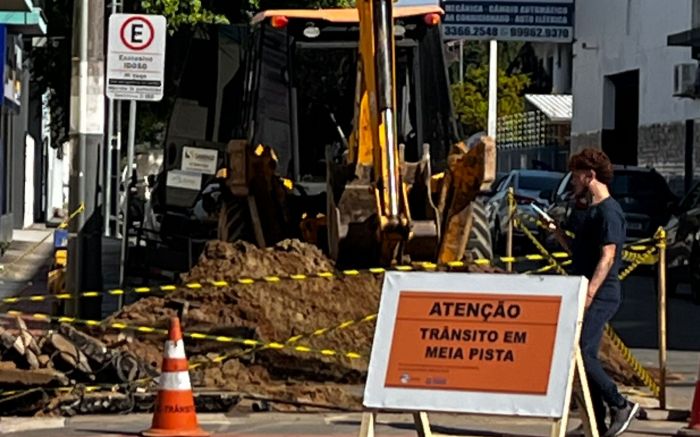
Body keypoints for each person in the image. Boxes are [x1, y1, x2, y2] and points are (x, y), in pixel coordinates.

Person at [565, 148, 639, 436]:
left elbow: (607, 258)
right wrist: (558, 233)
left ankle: (620, 404)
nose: (573, 181)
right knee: (577, 355)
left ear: (589, 176)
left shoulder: (610, 212)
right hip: (583, 287)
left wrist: (591, 293)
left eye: (576, 176)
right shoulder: (588, 210)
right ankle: (594, 421)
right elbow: (582, 254)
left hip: (602, 293)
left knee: (584, 352)